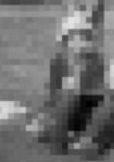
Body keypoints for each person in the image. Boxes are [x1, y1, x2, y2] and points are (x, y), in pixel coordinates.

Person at [40, 11, 106, 153]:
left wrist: (81, 78)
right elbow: (52, 90)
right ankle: (58, 136)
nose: (81, 44)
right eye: (75, 39)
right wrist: (48, 112)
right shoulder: (59, 61)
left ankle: (87, 137)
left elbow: (97, 92)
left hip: (86, 107)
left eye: (85, 39)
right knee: (68, 94)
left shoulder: (96, 61)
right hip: (63, 107)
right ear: (65, 41)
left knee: (104, 106)